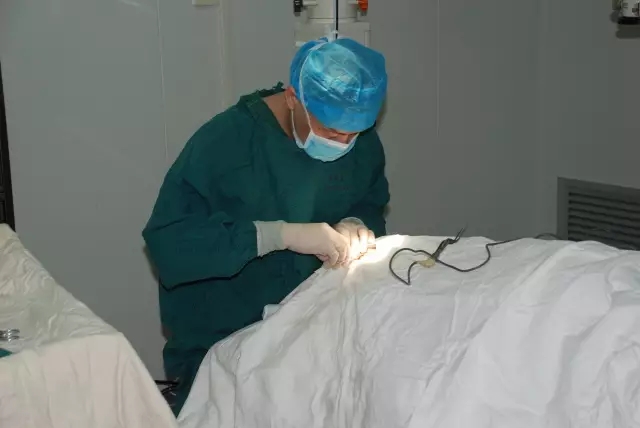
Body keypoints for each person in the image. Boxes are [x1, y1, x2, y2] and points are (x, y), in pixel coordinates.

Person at [142, 36, 390, 415]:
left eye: (353, 133)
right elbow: (170, 241)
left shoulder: (359, 141)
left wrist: (356, 224)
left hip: (313, 336)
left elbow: (368, 199)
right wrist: (275, 235)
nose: (343, 142)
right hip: (223, 344)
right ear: (293, 98)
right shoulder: (226, 143)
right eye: (330, 131)